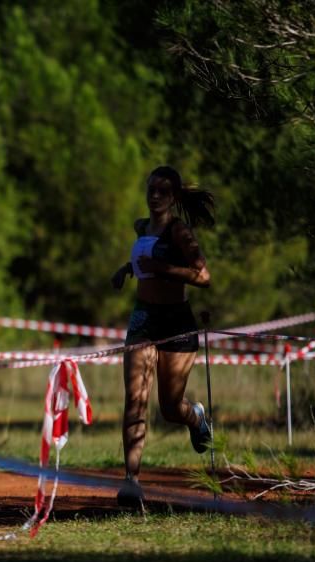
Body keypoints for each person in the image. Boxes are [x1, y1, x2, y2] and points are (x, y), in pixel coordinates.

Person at [110, 165, 214, 508]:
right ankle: (131, 482)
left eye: (163, 191)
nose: (155, 195)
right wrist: (127, 270)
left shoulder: (178, 232)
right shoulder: (141, 227)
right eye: (151, 189)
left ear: (173, 196)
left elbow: (203, 276)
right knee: (135, 400)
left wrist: (164, 270)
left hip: (176, 322)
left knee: (169, 407)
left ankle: (195, 417)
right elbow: (142, 261)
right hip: (143, 319)